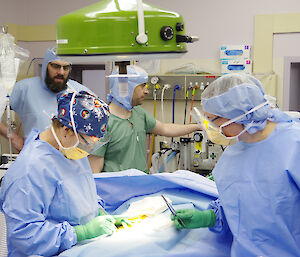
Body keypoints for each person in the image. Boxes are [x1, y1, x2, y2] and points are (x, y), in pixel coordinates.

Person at [171, 73, 300, 256]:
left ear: (240, 114)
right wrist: (210, 217)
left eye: (214, 121)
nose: (210, 128)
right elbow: (241, 209)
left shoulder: (294, 145)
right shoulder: (233, 155)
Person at [0, 91, 128, 257]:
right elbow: (24, 235)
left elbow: (78, 195)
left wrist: (98, 212)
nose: (88, 150)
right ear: (67, 130)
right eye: (88, 143)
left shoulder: (70, 150)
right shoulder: (30, 170)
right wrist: (81, 232)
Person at [92, 65, 200, 173]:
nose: (147, 91)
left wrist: (197, 126)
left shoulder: (139, 113)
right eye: (142, 86)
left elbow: (165, 128)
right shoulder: (102, 123)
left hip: (141, 185)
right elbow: (95, 172)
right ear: (126, 88)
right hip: (117, 188)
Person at [0, 48, 90, 152]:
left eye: (65, 68)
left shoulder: (79, 91)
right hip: (35, 158)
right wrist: (14, 138)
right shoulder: (25, 89)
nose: (61, 72)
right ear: (46, 66)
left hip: (68, 160)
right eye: (56, 66)